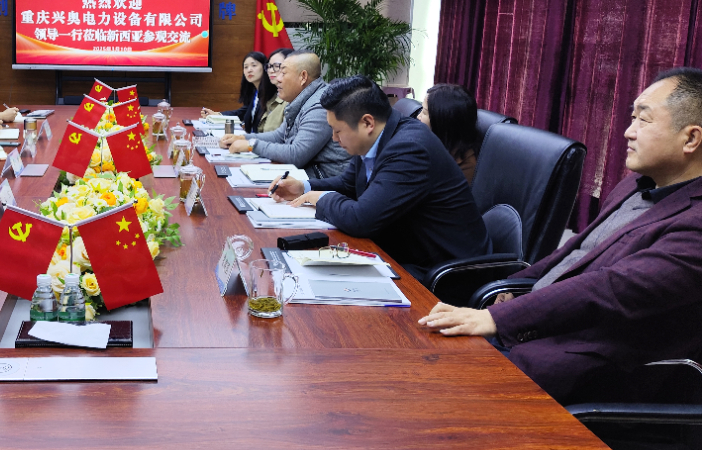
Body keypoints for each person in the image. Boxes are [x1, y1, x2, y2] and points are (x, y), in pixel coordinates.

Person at [419, 67, 702, 407]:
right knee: (411, 355)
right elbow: (576, 250)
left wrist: (499, 318)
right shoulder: (638, 184)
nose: (628, 132)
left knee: (426, 390)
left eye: (643, 120)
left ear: (690, 139)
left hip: (585, 366)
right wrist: (515, 288)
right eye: (632, 118)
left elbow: (611, 288)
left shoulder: (696, 224)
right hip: (536, 329)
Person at [270, 75, 489, 275]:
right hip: (401, 252)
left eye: (338, 131)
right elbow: (348, 184)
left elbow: (361, 220)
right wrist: (305, 187)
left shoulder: (409, 149)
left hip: (442, 272)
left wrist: (322, 199)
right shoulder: (378, 135)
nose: (335, 139)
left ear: (367, 123)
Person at [220, 51, 350, 178]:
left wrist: (251, 145)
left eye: (283, 73)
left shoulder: (320, 104)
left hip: (324, 181)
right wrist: (242, 138)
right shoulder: (302, 98)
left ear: (303, 77)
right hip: (304, 174)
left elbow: (296, 155)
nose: (278, 79)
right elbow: (279, 136)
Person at [417, 83, 481, 184]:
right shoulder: (432, 145)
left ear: (441, 120)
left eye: (424, 112)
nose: (418, 116)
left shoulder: (463, 168)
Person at [203, 51, 268, 132]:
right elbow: (242, 112)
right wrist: (216, 114)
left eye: (254, 65)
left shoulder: (269, 94)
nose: (249, 70)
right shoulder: (255, 92)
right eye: (246, 67)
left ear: (265, 67)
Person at [258, 47, 291, 133]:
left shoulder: (291, 99)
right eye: (269, 66)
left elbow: (283, 137)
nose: (271, 71)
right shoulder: (272, 96)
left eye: (276, 66)